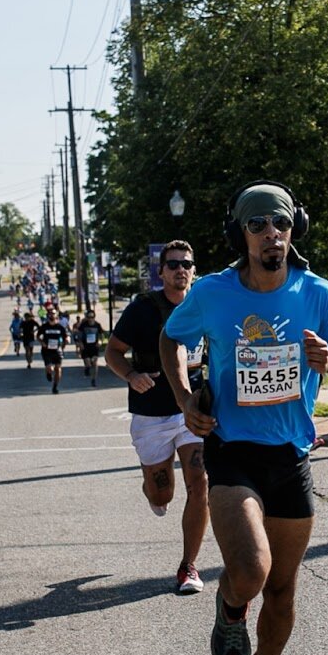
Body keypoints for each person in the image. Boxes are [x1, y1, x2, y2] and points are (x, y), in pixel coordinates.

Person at [161, 181, 328, 655]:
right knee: (250, 571)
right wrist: (184, 400)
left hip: (291, 454)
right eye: (258, 226)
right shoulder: (212, 293)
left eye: (279, 224)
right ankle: (230, 610)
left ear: (292, 229)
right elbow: (171, 338)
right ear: (241, 235)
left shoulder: (318, 294)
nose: (271, 234)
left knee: (282, 590)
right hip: (231, 450)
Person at [106, 241, 210, 597]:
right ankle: (152, 486)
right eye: (174, 264)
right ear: (161, 272)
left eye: (187, 263)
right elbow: (113, 352)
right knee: (162, 493)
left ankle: (188, 567)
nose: (181, 269)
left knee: (201, 482)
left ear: (193, 271)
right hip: (151, 411)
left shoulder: (206, 304)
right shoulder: (143, 309)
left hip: (193, 409)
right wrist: (132, 375)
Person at [38, 308, 69, 394]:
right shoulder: (44, 326)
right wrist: (42, 342)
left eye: (53, 313)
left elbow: (66, 336)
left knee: (58, 369)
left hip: (57, 350)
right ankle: (48, 373)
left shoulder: (60, 327)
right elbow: (37, 336)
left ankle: (55, 387)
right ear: (48, 315)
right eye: (50, 313)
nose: (52, 315)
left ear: (56, 315)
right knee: (50, 368)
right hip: (46, 351)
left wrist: (67, 340)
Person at [77, 312, 103, 384]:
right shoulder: (83, 325)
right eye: (89, 317)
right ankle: (87, 368)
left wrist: (100, 341)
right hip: (85, 347)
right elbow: (79, 335)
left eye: (92, 317)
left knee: (95, 363)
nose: (90, 319)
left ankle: (93, 379)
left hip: (94, 347)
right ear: (87, 317)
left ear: (94, 317)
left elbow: (101, 335)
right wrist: (80, 343)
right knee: (88, 362)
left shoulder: (97, 325)